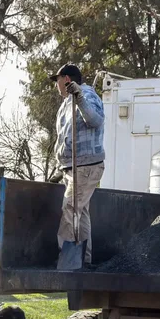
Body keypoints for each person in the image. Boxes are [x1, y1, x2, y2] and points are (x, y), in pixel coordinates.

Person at [51, 62, 105, 269]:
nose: (56, 86)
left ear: (66, 79)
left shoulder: (87, 95)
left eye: (57, 81)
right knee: (80, 213)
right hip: (72, 168)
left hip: (85, 166)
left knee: (71, 207)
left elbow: (95, 120)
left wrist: (79, 97)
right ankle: (84, 260)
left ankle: (67, 260)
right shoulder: (65, 105)